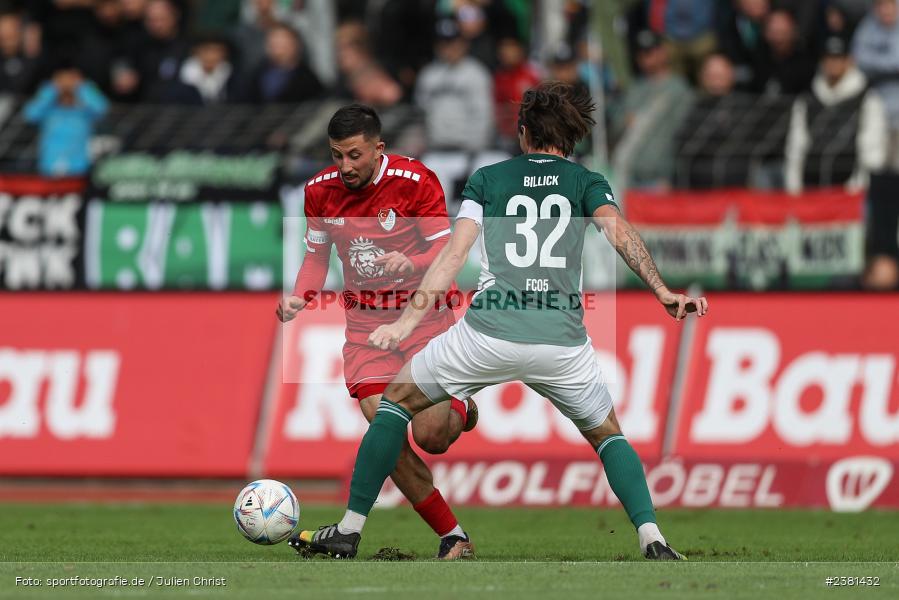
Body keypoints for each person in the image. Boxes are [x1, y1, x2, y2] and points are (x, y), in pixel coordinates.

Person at [292, 82, 708, 560]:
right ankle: (652, 538)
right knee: (607, 435)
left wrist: (407, 323)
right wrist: (660, 289)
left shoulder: (488, 178)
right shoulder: (586, 181)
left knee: (394, 404)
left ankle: (348, 529)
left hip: (487, 333)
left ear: (523, 132)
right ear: (569, 138)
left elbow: (455, 252)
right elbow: (620, 233)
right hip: (562, 342)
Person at [277, 104, 477, 560]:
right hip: (367, 327)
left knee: (432, 437)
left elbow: (446, 250)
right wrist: (300, 297)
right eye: (336, 156)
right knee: (386, 433)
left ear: (378, 149)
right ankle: (453, 535)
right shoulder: (319, 192)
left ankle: (462, 407)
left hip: (422, 318)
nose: (344, 166)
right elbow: (315, 258)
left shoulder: (415, 182)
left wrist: (414, 262)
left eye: (354, 155)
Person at [784, 35, 887, 193]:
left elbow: (872, 150)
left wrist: (857, 189)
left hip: (850, 192)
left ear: (849, 60)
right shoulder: (807, 99)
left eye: (838, 58)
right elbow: (796, 146)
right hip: (811, 188)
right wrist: (795, 188)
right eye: (829, 58)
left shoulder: (867, 99)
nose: (833, 63)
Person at [415, 18, 494, 151]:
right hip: (434, 150)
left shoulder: (477, 74)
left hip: (468, 152)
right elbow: (420, 113)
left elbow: (483, 115)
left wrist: (475, 150)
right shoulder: (428, 75)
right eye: (443, 43)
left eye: (452, 42)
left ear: (463, 44)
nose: (448, 48)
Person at [23, 63, 109, 177]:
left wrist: (81, 86)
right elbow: (29, 114)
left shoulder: (84, 113)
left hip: (79, 168)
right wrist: (52, 88)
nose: (67, 86)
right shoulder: (49, 112)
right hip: (49, 167)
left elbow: (102, 109)